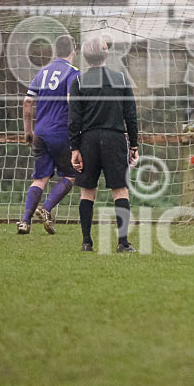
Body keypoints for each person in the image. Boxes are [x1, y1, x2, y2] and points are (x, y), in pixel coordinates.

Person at [68, 37, 139, 253]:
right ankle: (123, 242)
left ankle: (87, 242)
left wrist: (75, 148)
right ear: (106, 55)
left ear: (86, 57)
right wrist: (134, 144)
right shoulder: (120, 78)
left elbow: (74, 119)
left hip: (88, 139)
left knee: (87, 191)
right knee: (120, 190)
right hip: (115, 139)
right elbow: (131, 115)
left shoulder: (78, 82)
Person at [17, 35, 80, 235]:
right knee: (70, 175)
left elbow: (27, 102)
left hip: (41, 132)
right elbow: (71, 101)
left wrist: (28, 130)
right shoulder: (73, 73)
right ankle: (46, 208)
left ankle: (25, 222)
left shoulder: (42, 72)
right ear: (74, 50)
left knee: (40, 178)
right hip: (61, 132)